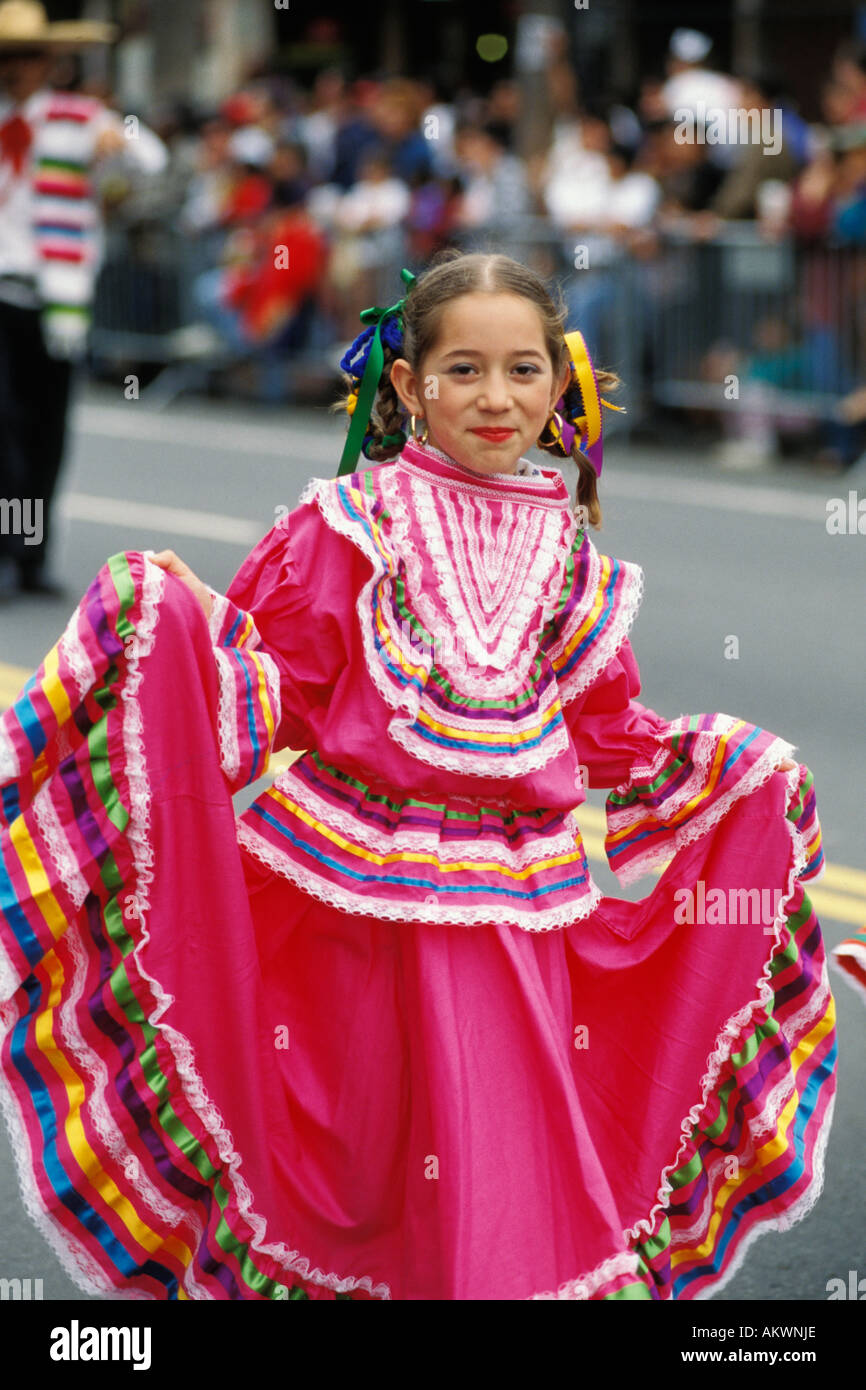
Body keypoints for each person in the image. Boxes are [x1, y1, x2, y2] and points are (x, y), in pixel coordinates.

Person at [0, 250, 839, 1301]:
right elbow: (278, 699)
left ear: (559, 384)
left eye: (523, 370)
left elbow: (609, 735)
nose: (497, 397)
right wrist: (176, 629)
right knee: (352, 1170)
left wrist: (743, 777)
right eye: (465, 371)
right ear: (407, 386)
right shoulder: (346, 525)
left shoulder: (572, 559)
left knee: (504, 1181)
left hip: (512, 917)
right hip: (338, 906)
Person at [0, 0, 165, 599]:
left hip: (54, 306)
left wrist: (115, 135)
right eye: (6, 57)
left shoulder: (77, 116)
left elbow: (152, 157)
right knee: (5, 433)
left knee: (46, 437)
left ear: (48, 60)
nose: (14, 69)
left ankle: (30, 559)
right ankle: (7, 547)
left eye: (25, 56)